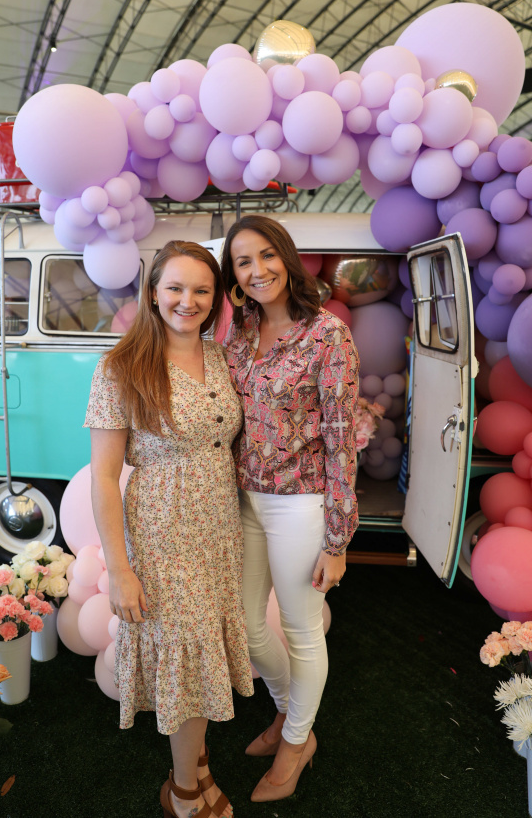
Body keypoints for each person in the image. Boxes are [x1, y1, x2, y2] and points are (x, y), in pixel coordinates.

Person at [84, 240, 254, 818]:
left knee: (203, 648)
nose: (188, 300)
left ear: (216, 297)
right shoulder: (121, 367)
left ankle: (197, 764)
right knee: (187, 650)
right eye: (175, 287)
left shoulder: (221, 357)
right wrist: (119, 569)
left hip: (219, 526)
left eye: (202, 290)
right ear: (153, 292)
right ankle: (183, 791)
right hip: (163, 528)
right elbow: (104, 477)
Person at [221, 214, 360, 803]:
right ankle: (288, 713)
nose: (257, 270)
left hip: (301, 502)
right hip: (243, 498)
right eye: (243, 262)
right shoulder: (240, 332)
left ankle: (297, 743)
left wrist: (337, 540)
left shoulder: (328, 335)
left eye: (266, 255)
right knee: (247, 625)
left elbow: (340, 438)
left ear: (286, 256)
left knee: (301, 630)